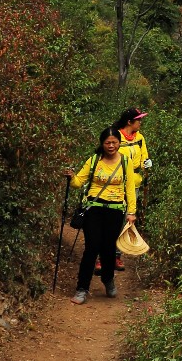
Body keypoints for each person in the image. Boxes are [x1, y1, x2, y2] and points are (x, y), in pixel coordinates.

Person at [67, 129, 137, 304]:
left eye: (114, 142)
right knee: (91, 248)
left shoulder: (125, 162)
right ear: (102, 143)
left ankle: (108, 279)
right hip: (94, 208)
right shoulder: (94, 161)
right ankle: (82, 288)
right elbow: (78, 183)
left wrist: (131, 212)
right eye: (108, 143)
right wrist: (71, 177)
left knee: (108, 248)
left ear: (119, 143)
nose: (111, 146)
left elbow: (129, 188)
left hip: (115, 210)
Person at [110, 109, 150, 271]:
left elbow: (143, 158)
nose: (140, 122)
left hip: (134, 184)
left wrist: (146, 163)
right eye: (138, 120)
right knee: (111, 219)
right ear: (129, 122)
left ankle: (116, 256)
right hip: (115, 183)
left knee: (126, 221)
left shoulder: (140, 138)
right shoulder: (115, 136)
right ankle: (102, 256)